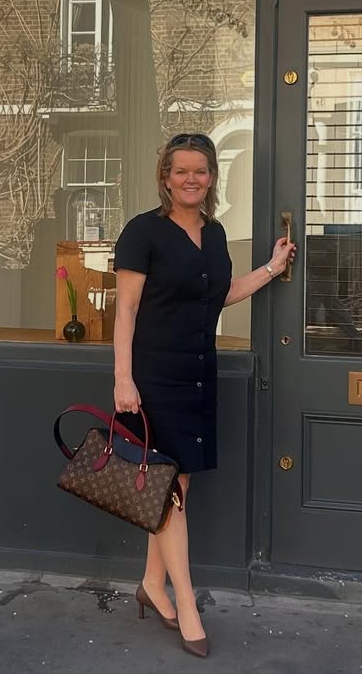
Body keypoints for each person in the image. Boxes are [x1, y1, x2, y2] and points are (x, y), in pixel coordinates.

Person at [112, 133, 295, 659]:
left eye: (201, 170)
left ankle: (152, 582)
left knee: (175, 485)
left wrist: (271, 268)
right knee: (169, 488)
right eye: (181, 170)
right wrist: (123, 378)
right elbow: (126, 311)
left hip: (198, 372)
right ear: (166, 178)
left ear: (212, 177)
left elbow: (220, 295)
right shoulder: (142, 232)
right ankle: (186, 604)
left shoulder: (214, 234)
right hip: (153, 376)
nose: (191, 179)